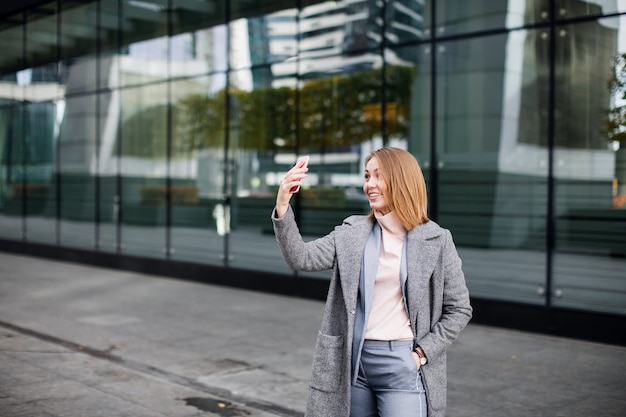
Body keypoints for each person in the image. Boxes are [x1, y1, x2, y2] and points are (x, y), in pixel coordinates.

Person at [272, 147, 472, 417]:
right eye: (367, 176)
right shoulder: (352, 233)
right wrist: (283, 205)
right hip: (353, 363)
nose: (370, 184)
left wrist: (420, 355)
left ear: (401, 180)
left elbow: (459, 309)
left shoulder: (436, 240)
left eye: (378, 176)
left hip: (402, 361)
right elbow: (301, 258)